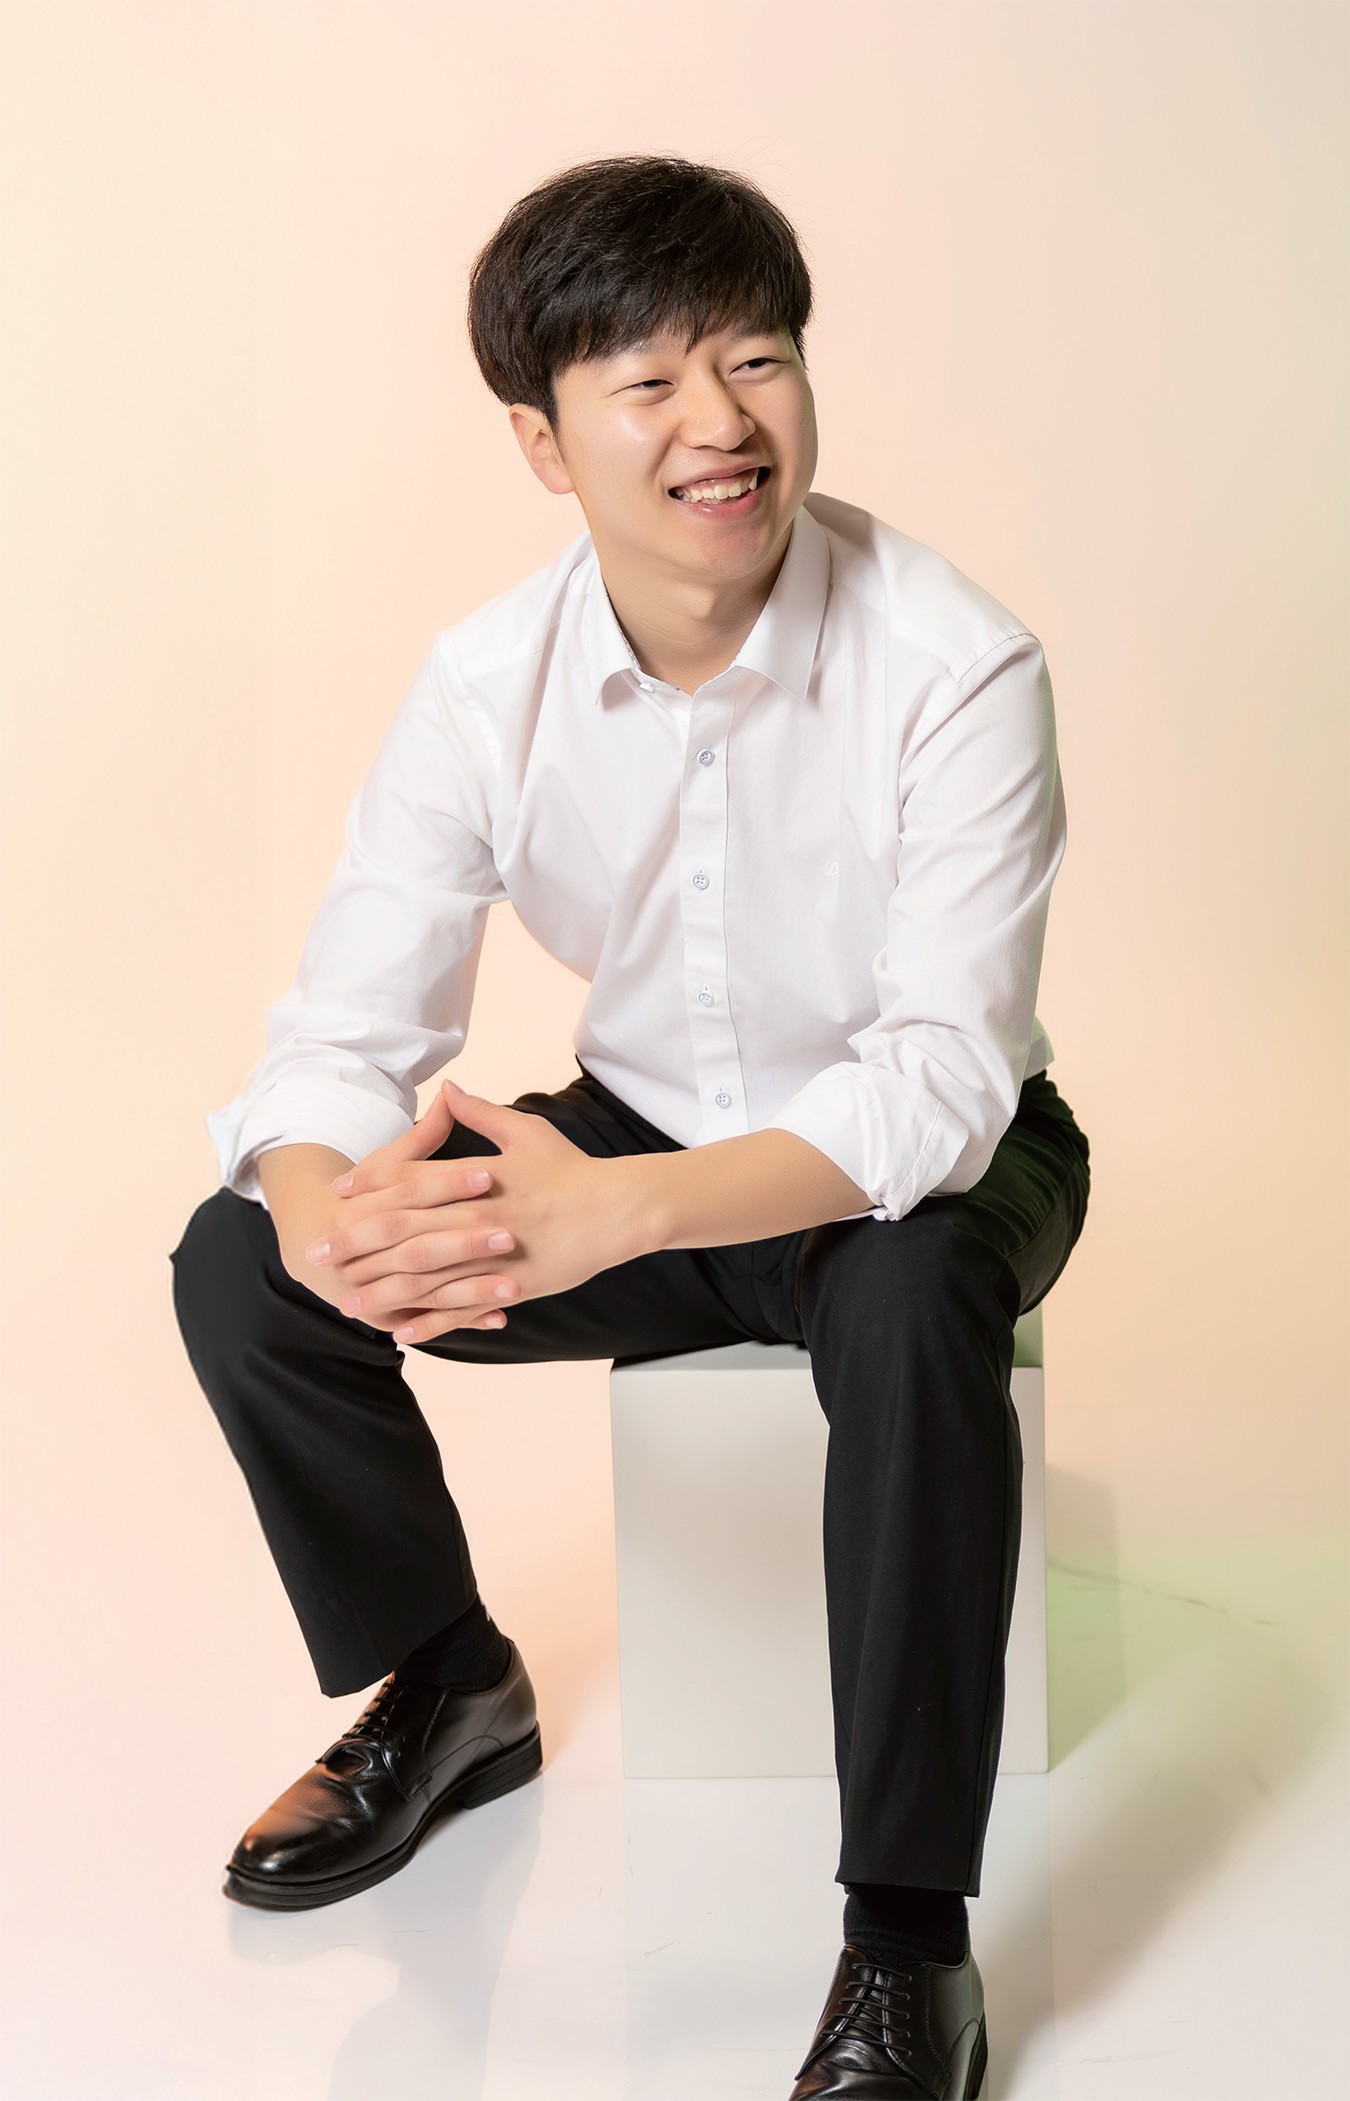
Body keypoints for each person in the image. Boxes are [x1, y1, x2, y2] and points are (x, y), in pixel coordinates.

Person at [169, 153, 1091, 2099]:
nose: (719, 423)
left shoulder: (957, 659)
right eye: (647, 382)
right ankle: (449, 1679)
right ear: (541, 438)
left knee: (914, 1306)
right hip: (634, 1133)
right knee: (243, 1257)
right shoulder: (483, 682)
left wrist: (624, 1213)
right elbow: (342, 1033)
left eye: (755, 359)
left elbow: (940, 1075)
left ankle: (905, 1938)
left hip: (922, 1159)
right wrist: (336, 1214)